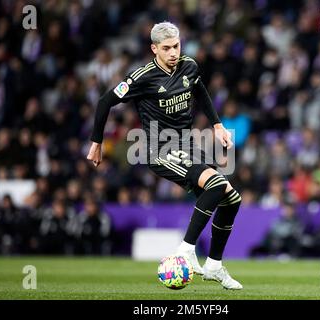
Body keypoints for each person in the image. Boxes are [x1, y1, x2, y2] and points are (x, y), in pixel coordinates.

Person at [86, 22, 242, 289]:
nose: (173, 52)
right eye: (167, 48)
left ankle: (214, 265)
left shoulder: (189, 66)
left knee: (231, 198)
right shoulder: (142, 77)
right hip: (158, 149)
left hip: (186, 144)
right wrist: (96, 142)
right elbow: (104, 101)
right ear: (154, 49)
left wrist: (217, 124)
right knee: (216, 184)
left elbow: (200, 90)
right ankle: (185, 250)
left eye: (177, 46)